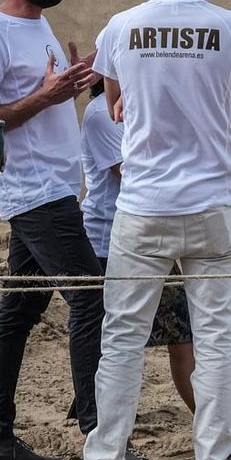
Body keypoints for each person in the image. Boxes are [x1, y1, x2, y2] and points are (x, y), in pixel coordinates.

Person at [58, 0, 231, 460]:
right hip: (212, 201)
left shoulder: (122, 25)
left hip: (143, 203)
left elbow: (112, 105)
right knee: (216, 338)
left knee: (121, 337)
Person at [0, 0, 113, 460]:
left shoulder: (39, 24)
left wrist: (72, 83)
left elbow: (39, 99)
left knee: (19, 311)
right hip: (34, 190)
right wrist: (45, 95)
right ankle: (100, 438)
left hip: (55, 186)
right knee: (91, 299)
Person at [82, 78, 196, 420]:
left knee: (182, 333)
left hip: (151, 238)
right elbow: (133, 174)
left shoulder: (141, 108)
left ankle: (211, 424)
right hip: (111, 242)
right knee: (115, 340)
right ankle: (101, 423)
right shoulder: (101, 113)